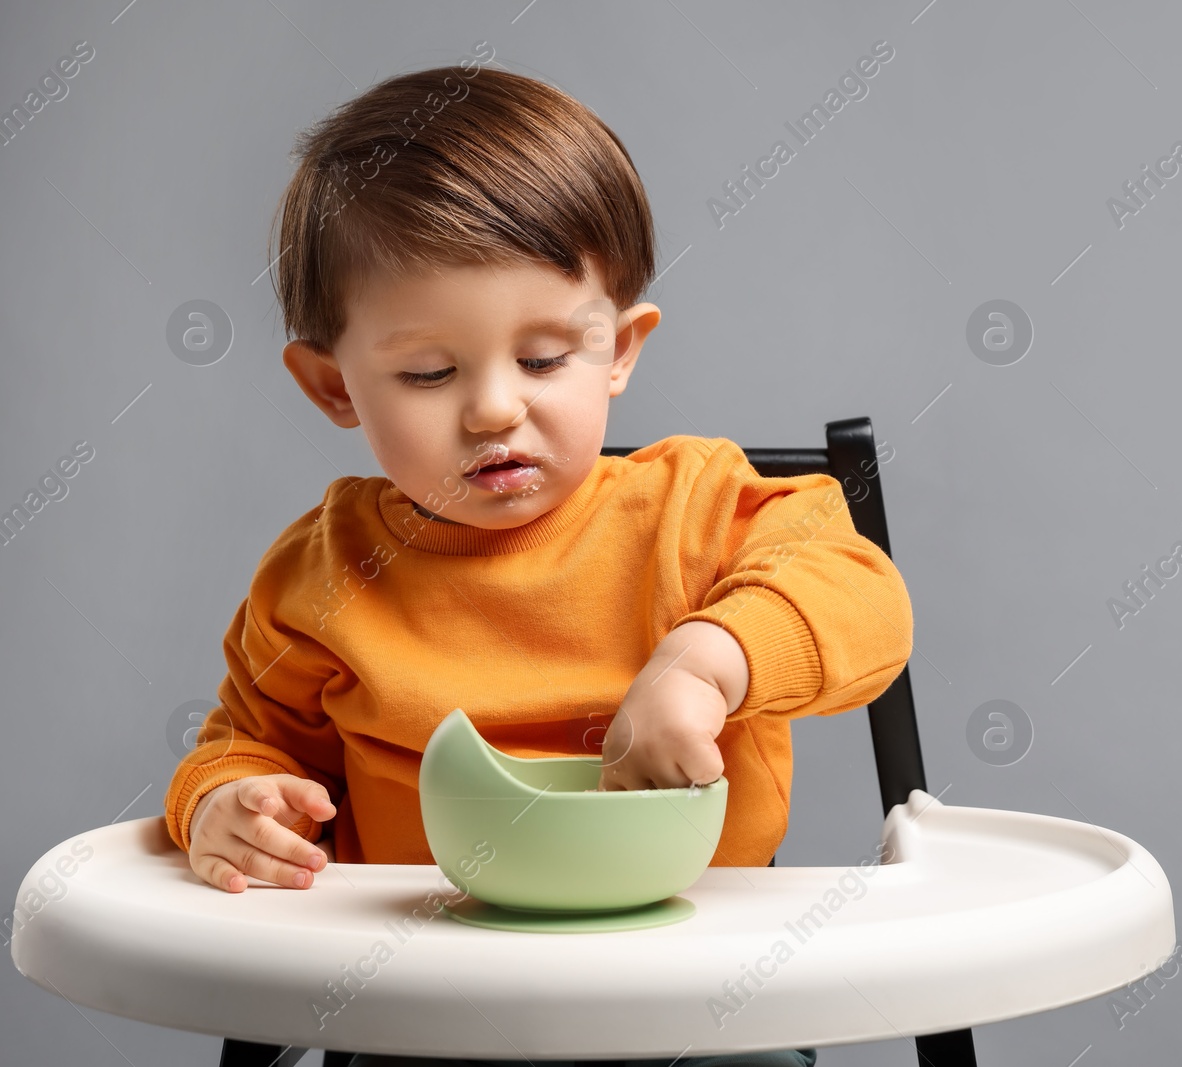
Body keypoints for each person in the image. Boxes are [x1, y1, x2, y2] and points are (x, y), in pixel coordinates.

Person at [161, 53, 912, 1067]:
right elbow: (246, 741)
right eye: (429, 370)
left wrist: (708, 658)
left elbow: (859, 594)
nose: (493, 407)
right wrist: (228, 804)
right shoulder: (323, 575)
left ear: (620, 349)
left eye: (546, 357)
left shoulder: (693, 507)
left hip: (695, 999)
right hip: (420, 1011)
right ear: (334, 386)